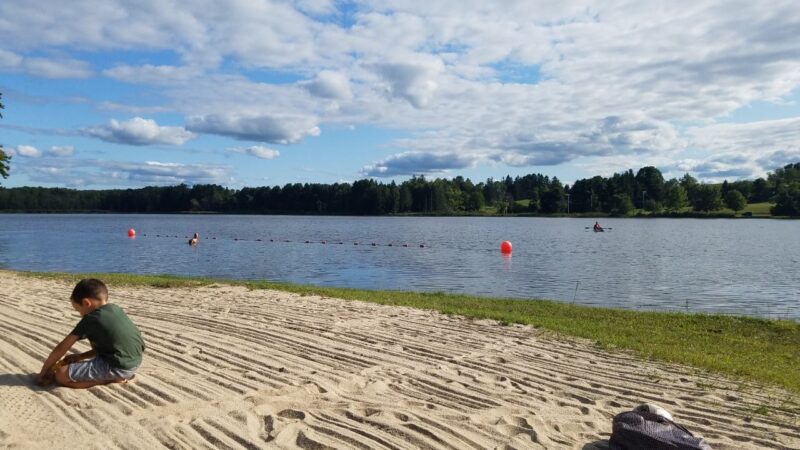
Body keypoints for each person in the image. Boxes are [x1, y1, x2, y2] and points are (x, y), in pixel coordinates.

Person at [36, 278, 144, 388]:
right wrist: (81, 356)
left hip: (118, 367)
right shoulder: (115, 309)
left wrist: (44, 371)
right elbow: (111, 346)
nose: (80, 315)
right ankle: (115, 376)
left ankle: (109, 380)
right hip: (134, 362)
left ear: (86, 303)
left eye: (78, 310)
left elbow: (62, 348)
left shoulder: (91, 319)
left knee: (61, 375)